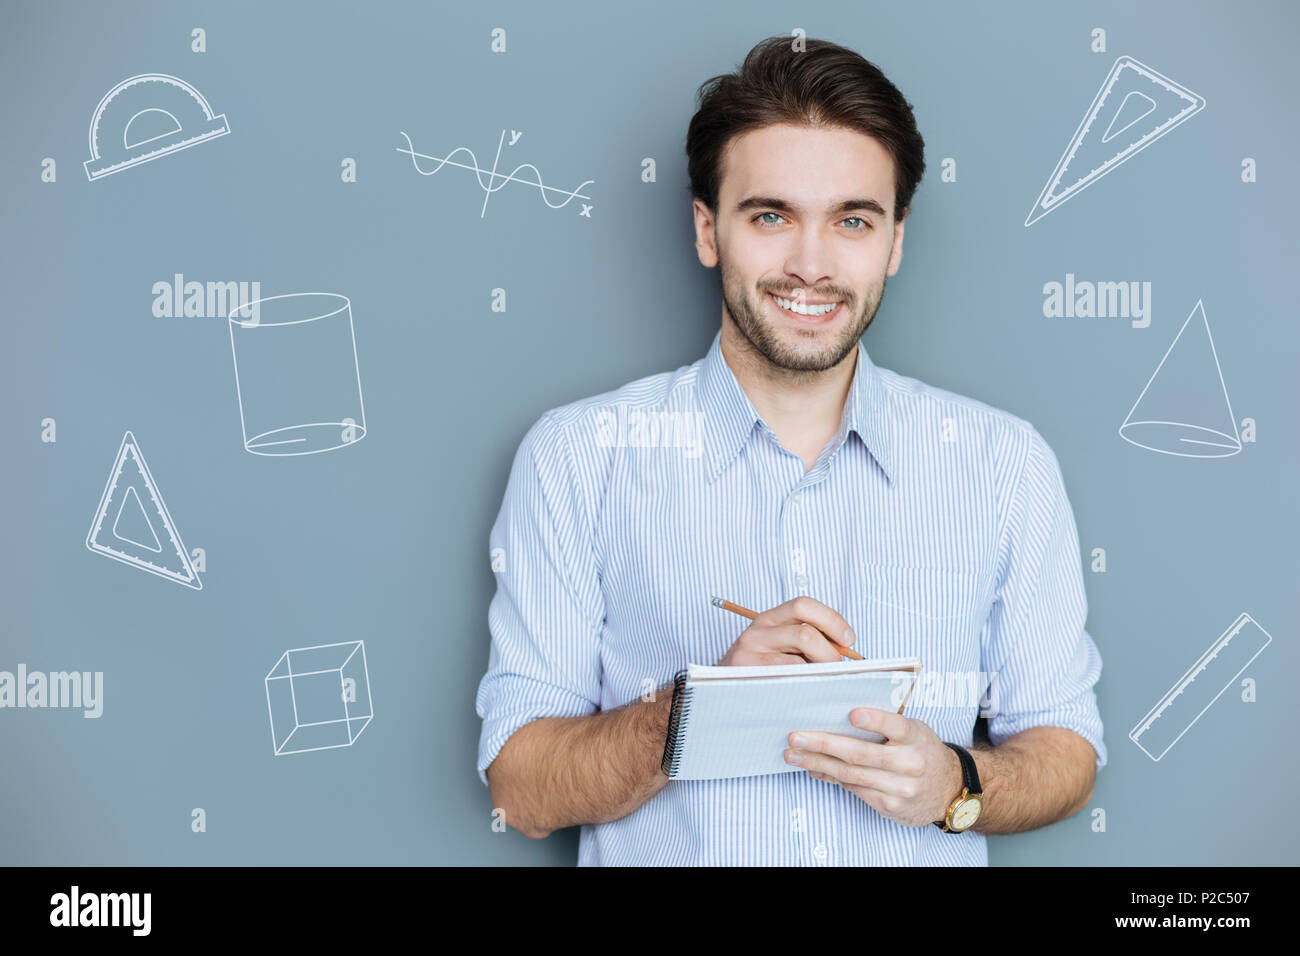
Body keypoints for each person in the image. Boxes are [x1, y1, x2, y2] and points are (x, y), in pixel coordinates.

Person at [474, 35, 1105, 865]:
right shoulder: (576, 458)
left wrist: (956, 786)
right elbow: (522, 790)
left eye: (852, 220)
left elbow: (1067, 752)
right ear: (708, 230)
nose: (810, 265)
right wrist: (704, 705)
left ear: (896, 241)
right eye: (771, 215)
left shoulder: (1003, 465)